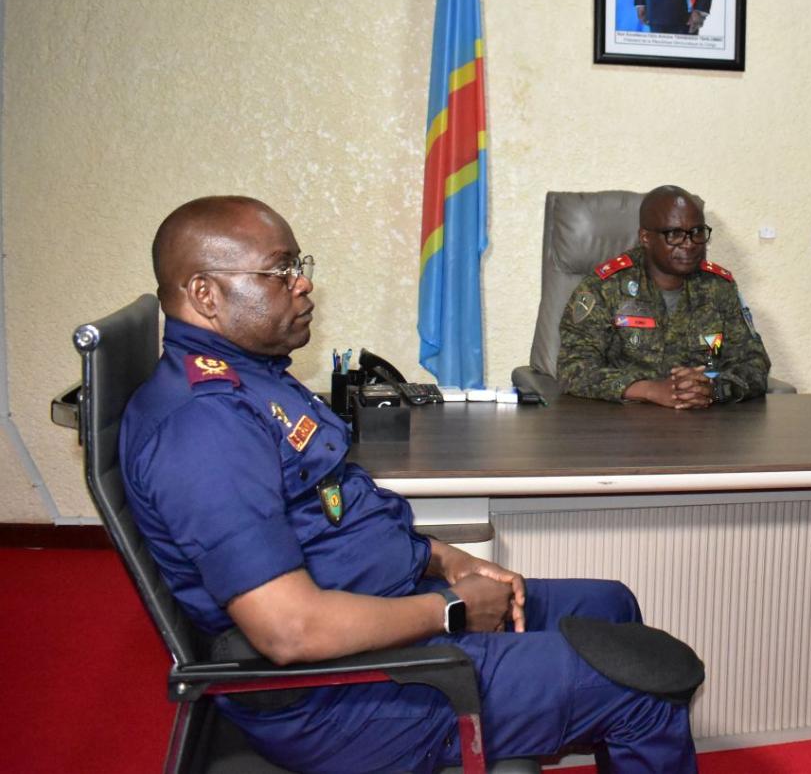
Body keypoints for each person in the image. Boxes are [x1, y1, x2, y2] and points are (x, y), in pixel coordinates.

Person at [121, 196, 698, 773]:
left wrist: (446, 562)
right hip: (349, 698)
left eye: (302, 268)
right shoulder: (204, 427)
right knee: (644, 686)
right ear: (205, 294)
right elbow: (290, 631)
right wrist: (450, 609)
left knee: (610, 605)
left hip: (383, 618)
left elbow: (339, 517)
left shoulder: (257, 376)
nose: (303, 287)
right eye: (281, 272)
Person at [557, 185, 769, 408]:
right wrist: (649, 389)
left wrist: (713, 389)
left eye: (697, 232)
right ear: (645, 237)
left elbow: (754, 363)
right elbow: (573, 367)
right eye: (675, 234)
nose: (689, 244)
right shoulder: (605, 287)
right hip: (624, 426)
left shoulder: (718, 287)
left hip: (703, 426)